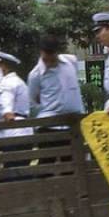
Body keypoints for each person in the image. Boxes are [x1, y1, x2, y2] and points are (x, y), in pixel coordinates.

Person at [27, 35, 85, 168]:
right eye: (46, 54)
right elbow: (33, 101)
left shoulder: (71, 61)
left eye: (51, 54)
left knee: (72, 165)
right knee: (47, 165)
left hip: (73, 123)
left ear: (56, 52)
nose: (48, 59)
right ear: (41, 52)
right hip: (49, 126)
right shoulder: (35, 75)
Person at [0, 51, 33, 138]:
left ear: (4, 67)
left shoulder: (7, 83)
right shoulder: (18, 81)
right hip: (25, 128)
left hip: (13, 129)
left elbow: (7, 110)